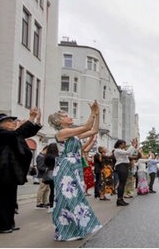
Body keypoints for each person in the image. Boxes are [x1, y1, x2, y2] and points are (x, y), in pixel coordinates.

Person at [47, 101, 101, 241]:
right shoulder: (62, 132)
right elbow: (86, 127)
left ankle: (75, 229)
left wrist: (97, 115)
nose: (69, 117)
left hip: (74, 168)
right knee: (67, 199)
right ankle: (65, 230)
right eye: (66, 116)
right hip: (65, 168)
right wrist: (92, 113)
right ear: (59, 121)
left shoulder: (73, 135)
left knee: (76, 198)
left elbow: (93, 130)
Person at [0, 109, 42, 234]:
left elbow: (25, 132)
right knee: (2, 200)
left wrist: (36, 121)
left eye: (12, 121)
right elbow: (18, 133)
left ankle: (8, 223)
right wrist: (30, 119)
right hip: (4, 171)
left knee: (11, 200)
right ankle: (0, 226)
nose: (13, 122)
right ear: (0, 124)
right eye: (9, 121)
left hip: (11, 171)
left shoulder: (11, 134)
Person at [113, 138, 139, 206]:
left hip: (124, 166)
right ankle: (119, 199)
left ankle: (121, 199)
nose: (124, 145)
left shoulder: (121, 150)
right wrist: (132, 146)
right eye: (124, 144)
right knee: (122, 183)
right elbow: (128, 153)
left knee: (123, 183)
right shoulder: (117, 150)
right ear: (120, 144)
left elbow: (129, 154)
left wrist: (134, 147)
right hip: (121, 166)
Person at [42, 143, 59, 213]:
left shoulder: (46, 156)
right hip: (55, 173)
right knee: (55, 191)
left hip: (49, 174)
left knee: (51, 190)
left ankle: (51, 206)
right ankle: (54, 205)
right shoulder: (55, 157)